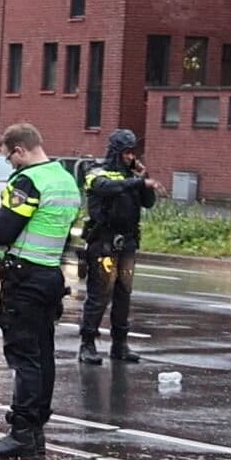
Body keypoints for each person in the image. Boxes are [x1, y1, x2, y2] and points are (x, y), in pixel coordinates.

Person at [0, 123, 82, 460]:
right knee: (43, 354)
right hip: (50, 275)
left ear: (19, 150)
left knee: (24, 358)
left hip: (24, 278)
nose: (10, 164)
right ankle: (36, 432)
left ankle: (21, 433)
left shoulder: (27, 181)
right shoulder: (64, 179)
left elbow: (5, 233)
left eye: (9, 158)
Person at [79, 128, 160, 365]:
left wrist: (144, 178)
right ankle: (87, 344)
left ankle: (120, 344)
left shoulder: (133, 177)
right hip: (103, 241)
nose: (130, 156)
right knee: (100, 294)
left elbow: (148, 203)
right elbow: (106, 187)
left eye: (133, 152)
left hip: (127, 242)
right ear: (116, 152)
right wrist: (137, 181)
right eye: (126, 152)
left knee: (123, 294)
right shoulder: (96, 172)